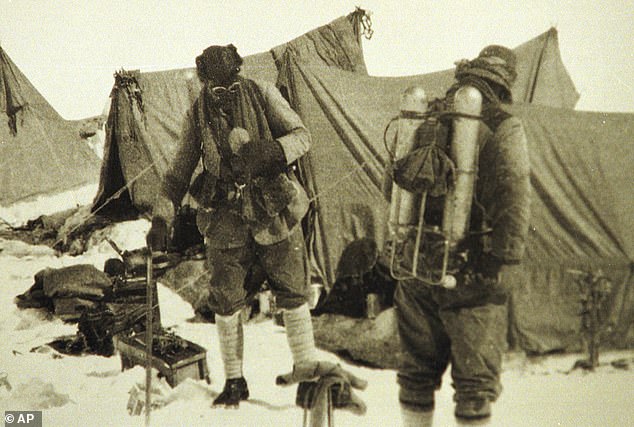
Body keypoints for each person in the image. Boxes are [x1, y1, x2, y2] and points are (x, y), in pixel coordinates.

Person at [147, 44, 318, 407]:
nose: (224, 93)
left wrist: (272, 151)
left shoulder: (264, 93)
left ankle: (305, 372)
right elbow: (177, 174)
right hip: (224, 218)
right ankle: (235, 381)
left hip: (274, 210)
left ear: (239, 73)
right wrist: (162, 217)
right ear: (205, 82)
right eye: (216, 87)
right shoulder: (197, 114)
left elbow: (302, 136)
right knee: (225, 300)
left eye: (231, 84)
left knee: (292, 290)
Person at [392, 45, 531, 425]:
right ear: (504, 83)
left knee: (416, 377)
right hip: (471, 273)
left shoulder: (425, 115)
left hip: (415, 262)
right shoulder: (504, 125)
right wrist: (503, 262)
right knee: (473, 387)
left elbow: (398, 179)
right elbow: (515, 198)